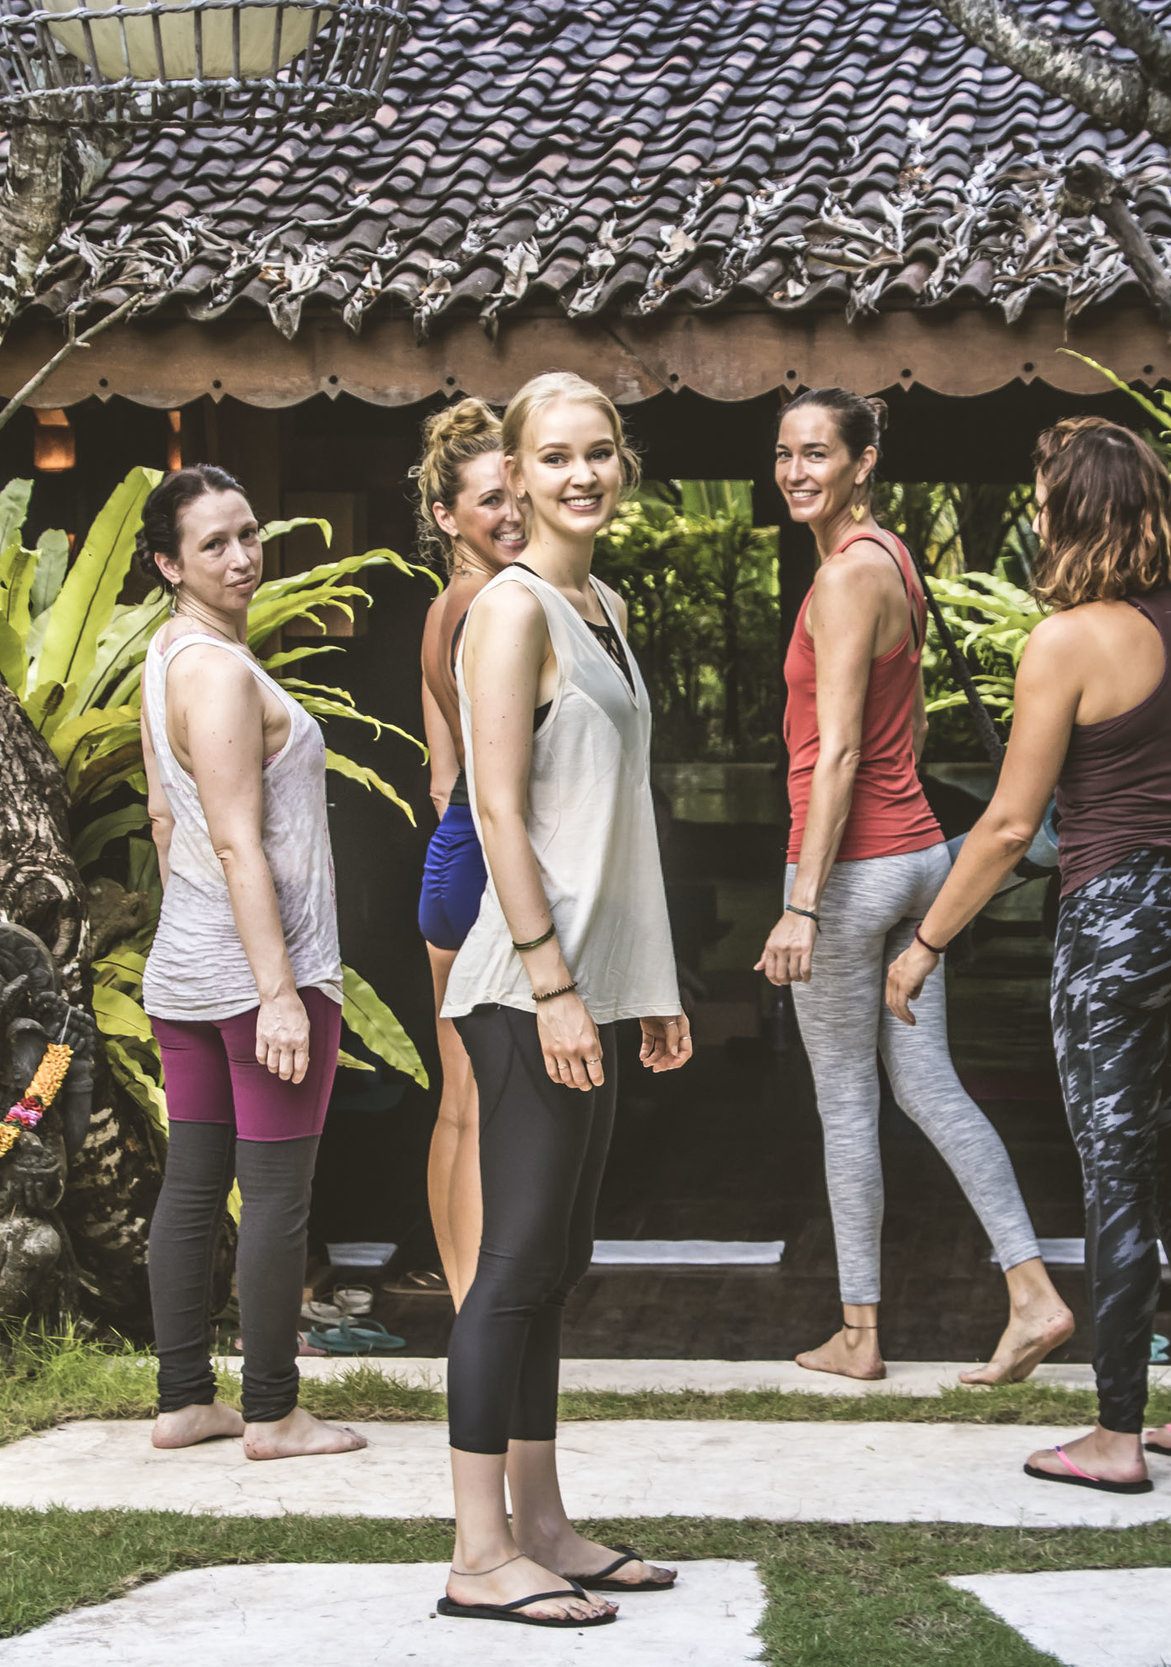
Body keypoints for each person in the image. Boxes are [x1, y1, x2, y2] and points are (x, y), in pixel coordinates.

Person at [884, 416, 1171, 1495]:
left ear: (1071, 513)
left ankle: (1115, 1434)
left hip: (1119, 918)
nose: (1035, 513)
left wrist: (924, 943)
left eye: (1043, 498)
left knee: (1114, 1173)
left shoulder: (1066, 639)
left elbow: (1013, 825)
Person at [436, 371, 694, 1627]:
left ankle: (542, 1523)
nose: (581, 474)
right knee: (512, 1265)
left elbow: (613, 818)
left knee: (559, 1260)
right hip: (522, 986)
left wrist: (646, 984)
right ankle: (478, 1552)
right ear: (518, 475)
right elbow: (497, 806)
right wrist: (551, 984)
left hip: (590, 983)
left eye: (598, 452)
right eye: (554, 457)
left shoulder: (606, 603)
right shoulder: (509, 609)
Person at [756, 389, 1075, 1385]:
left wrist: (803, 900)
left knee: (847, 1104)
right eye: (784, 454)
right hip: (918, 857)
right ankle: (1031, 1291)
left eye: (817, 453)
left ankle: (858, 1333)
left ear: (862, 462)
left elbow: (841, 747)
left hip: (850, 870)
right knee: (928, 1083)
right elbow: (913, 728)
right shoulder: (893, 559)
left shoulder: (847, 578)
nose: (797, 470)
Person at [136, 465, 365, 1462]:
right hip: (257, 979)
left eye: (248, 533)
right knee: (274, 1194)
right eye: (213, 544)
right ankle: (272, 1409)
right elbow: (236, 840)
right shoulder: (221, 674)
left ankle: (186, 1398)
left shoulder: (166, 658)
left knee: (193, 1182)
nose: (241, 557)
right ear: (167, 564)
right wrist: (277, 991)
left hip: (185, 968)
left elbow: (160, 818)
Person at [407, 398, 527, 1307]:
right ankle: (484, 1313)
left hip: (448, 859)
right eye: (491, 499)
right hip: (485, 862)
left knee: (459, 1104)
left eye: (519, 493)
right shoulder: (497, 606)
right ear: (447, 516)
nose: (513, 513)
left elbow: (439, 771)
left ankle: (460, 1305)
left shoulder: (439, 611)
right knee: (487, 1109)